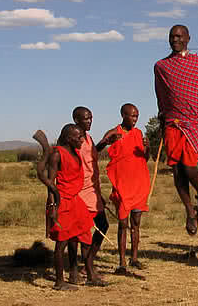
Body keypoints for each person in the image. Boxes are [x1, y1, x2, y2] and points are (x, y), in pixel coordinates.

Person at [154, 24, 198, 236]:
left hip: (196, 122)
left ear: (188, 38)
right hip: (173, 122)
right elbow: (160, 95)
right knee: (177, 170)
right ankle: (190, 211)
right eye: (172, 36)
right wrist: (162, 117)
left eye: (180, 36)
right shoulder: (162, 66)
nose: (176, 39)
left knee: (189, 165)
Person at [43, 124, 98, 290]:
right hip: (62, 202)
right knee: (62, 243)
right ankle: (59, 281)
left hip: (76, 201)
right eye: (78, 137)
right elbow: (50, 183)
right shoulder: (57, 155)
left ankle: (90, 275)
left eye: (82, 136)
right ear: (68, 138)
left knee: (86, 236)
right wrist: (52, 206)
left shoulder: (75, 152)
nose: (82, 140)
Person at [104, 103, 151, 274]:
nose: (135, 119)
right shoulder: (114, 133)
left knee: (136, 223)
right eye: (132, 116)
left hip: (138, 184)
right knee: (123, 224)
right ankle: (122, 262)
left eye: (137, 116)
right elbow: (98, 148)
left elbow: (145, 158)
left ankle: (135, 258)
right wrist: (107, 141)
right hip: (123, 185)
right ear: (123, 115)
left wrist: (148, 147)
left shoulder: (139, 134)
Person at [72, 106, 118, 278]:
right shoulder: (74, 139)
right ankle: (83, 267)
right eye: (86, 118)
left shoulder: (88, 138)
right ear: (76, 120)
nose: (90, 121)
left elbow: (92, 156)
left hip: (92, 189)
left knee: (102, 225)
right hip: (80, 190)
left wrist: (104, 143)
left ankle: (87, 263)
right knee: (82, 230)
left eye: (91, 118)